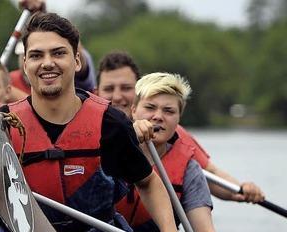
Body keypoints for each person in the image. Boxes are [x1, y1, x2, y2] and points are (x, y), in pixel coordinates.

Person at [6, 12, 192, 232]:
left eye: (58, 53)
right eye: (36, 55)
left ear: (77, 61)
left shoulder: (111, 123)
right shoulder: (5, 124)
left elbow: (148, 182)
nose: (47, 63)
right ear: (25, 64)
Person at [95, 51, 265, 204]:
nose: (117, 96)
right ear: (96, 93)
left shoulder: (171, 132)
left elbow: (210, 173)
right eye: (109, 89)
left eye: (126, 88)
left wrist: (241, 189)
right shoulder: (87, 128)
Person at [115, 72, 224, 232]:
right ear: (133, 110)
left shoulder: (189, 169)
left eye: (168, 111)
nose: (158, 116)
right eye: (150, 107)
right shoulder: (108, 147)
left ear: (178, 118)